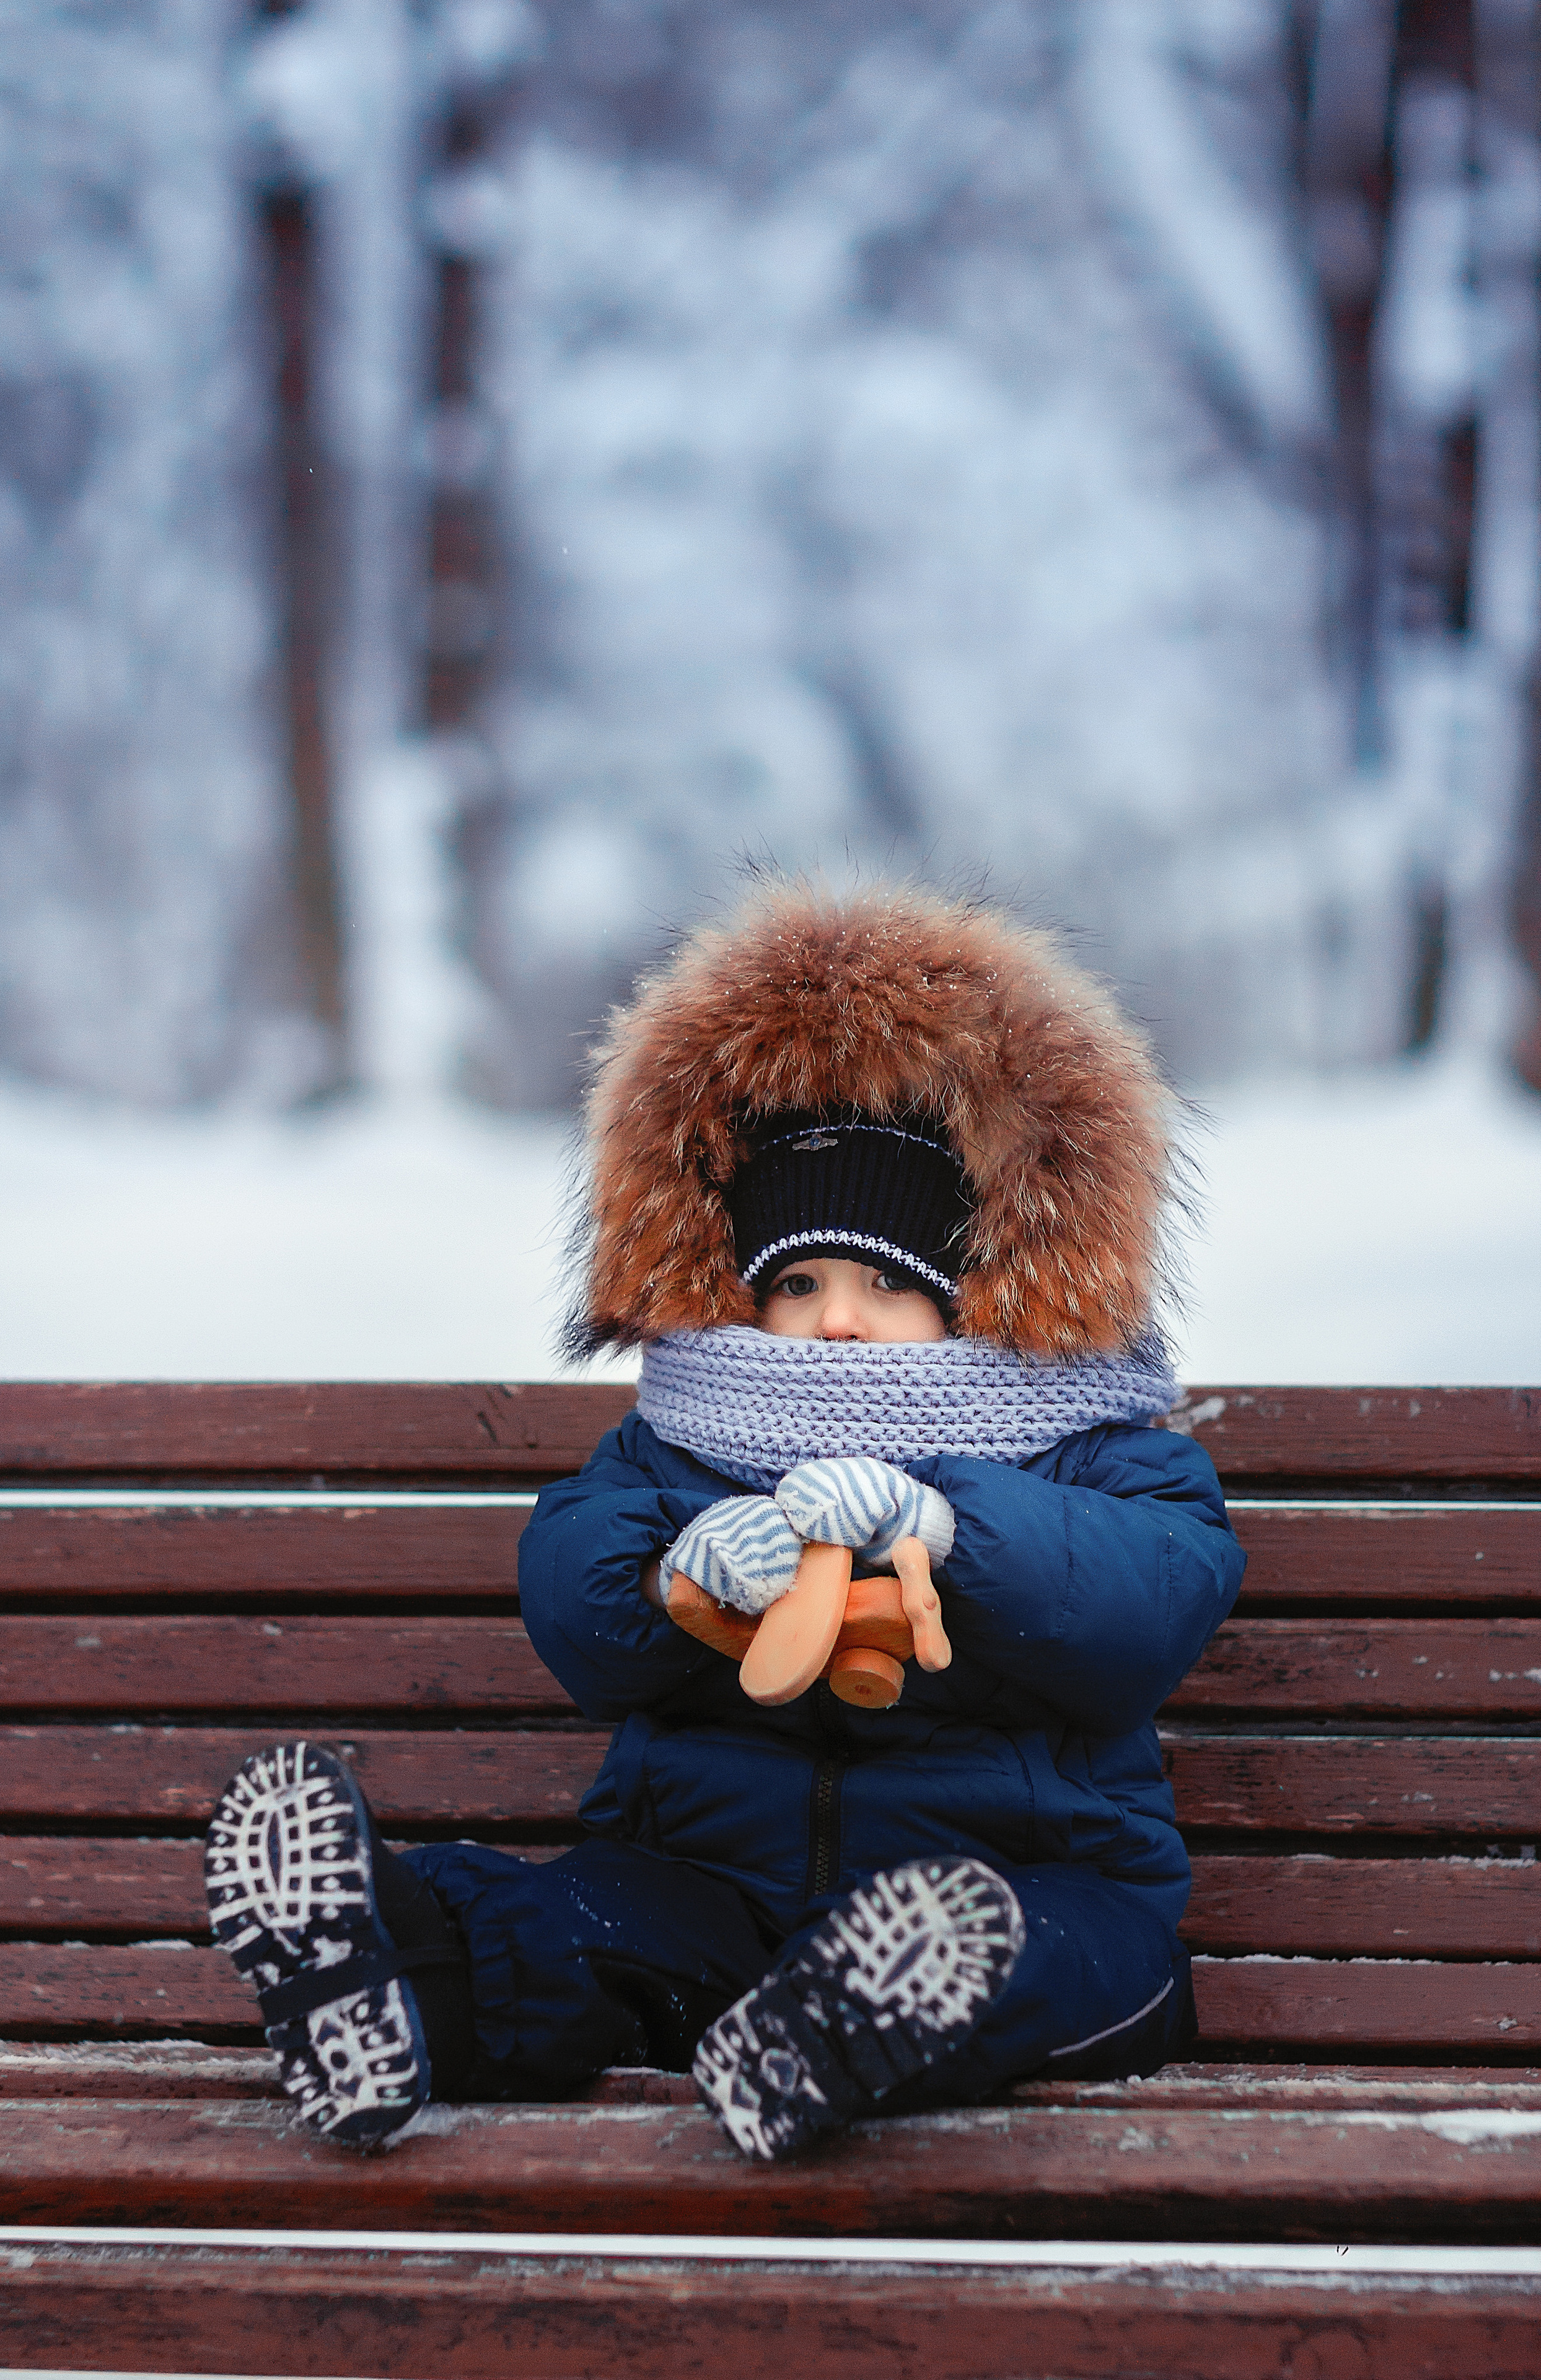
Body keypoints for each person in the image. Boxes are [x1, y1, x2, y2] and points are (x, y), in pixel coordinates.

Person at [204, 883, 1245, 2159]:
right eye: (796, 1281)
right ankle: (388, 1966)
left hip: (1027, 1873)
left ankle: (859, 2016)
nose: (835, 1319)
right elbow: (569, 1590)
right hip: (710, 1885)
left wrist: (953, 1527)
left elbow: (1150, 1601)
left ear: (972, 1295)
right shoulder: (688, 1437)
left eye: (885, 1285)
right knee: (582, 1924)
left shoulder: (1087, 1443)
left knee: (1069, 1957)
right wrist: (665, 1577)